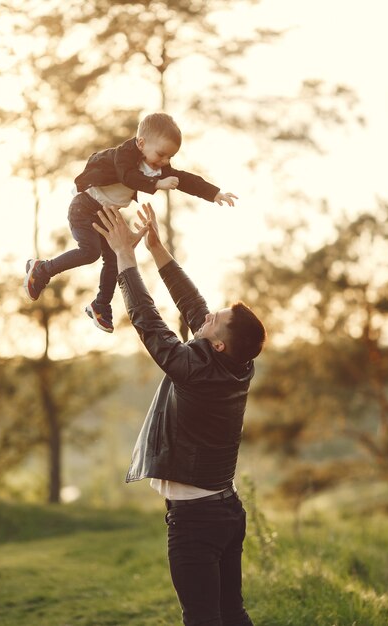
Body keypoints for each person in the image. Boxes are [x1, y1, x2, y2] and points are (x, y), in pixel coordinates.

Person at [93, 202, 266, 626]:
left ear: (219, 343)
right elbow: (194, 305)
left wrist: (125, 258)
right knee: (231, 613)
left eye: (215, 321)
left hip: (197, 523)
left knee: (203, 619)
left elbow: (149, 324)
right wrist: (158, 249)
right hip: (225, 511)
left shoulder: (195, 368)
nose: (207, 317)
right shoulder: (238, 364)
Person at [23, 112, 237, 333]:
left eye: (169, 158)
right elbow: (128, 177)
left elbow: (185, 180)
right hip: (84, 206)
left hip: (105, 212)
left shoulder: (156, 167)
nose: (164, 162)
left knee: (115, 257)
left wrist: (214, 193)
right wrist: (157, 184)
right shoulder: (124, 154)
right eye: (161, 154)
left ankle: (100, 305)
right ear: (141, 143)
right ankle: (42, 269)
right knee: (90, 252)